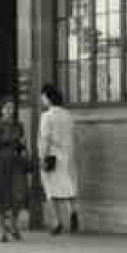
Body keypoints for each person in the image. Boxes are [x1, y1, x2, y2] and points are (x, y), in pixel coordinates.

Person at [0, 94, 29, 242]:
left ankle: (14, 224)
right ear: (2, 110)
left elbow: (22, 146)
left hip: (15, 164)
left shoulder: (19, 126)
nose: (10, 110)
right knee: (1, 198)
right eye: (7, 108)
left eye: (12, 108)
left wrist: (23, 147)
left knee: (18, 195)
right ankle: (3, 231)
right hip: (0, 165)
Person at [38, 83, 79, 235]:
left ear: (47, 97)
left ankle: (56, 222)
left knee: (50, 190)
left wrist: (42, 158)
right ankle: (73, 212)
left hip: (52, 157)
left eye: (42, 97)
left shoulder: (47, 116)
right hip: (68, 156)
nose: (42, 100)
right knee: (70, 187)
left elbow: (46, 139)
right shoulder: (68, 115)